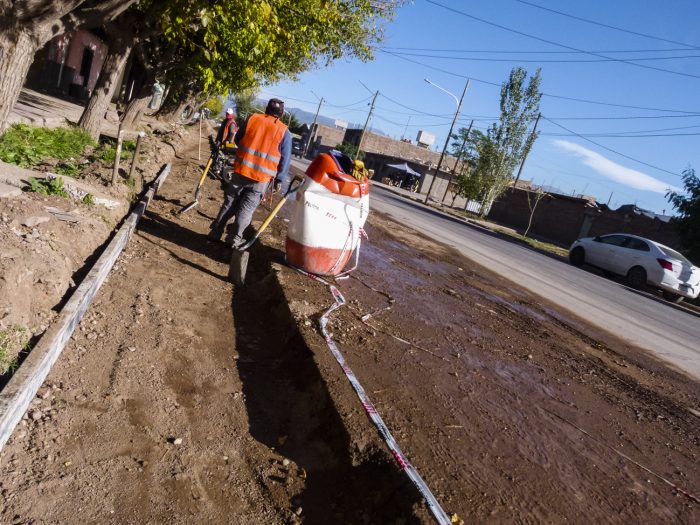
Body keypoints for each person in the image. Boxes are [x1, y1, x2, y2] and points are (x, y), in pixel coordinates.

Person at [207, 98, 292, 246]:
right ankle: (234, 238)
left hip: (241, 170)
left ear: (266, 109)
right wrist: (279, 179)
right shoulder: (284, 131)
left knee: (230, 203)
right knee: (246, 209)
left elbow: (238, 140)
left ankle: (215, 232)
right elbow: (285, 159)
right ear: (281, 113)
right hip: (260, 179)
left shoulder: (253, 119)